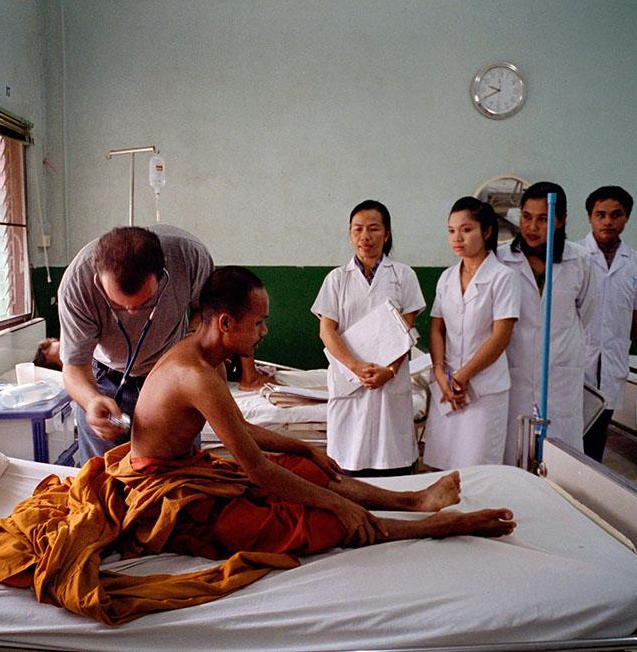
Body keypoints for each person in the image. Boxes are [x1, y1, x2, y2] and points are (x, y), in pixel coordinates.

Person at [122, 265, 517, 555]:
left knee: (306, 470)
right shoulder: (195, 374)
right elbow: (258, 468)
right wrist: (338, 504)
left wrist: (304, 448)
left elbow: (238, 426)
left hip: (186, 472)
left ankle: (411, 502)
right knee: (299, 521)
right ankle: (435, 525)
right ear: (226, 323)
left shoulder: (207, 357)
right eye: (258, 323)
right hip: (167, 496)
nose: (264, 333)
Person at [58, 225, 214, 462]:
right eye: (119, 305)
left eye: (144, 304)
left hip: (172, 378)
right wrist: (91, 401)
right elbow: (74, 367)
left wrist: (188, 348)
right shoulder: (77, 285)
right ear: (97, 276)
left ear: (163, 270)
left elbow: (208, 311)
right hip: (106, 382)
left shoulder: (189, 257)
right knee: (104, 482)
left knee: (178, 476)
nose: (131, 313)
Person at [311, 200, 426, 476]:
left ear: (386, 234)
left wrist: (389, 371)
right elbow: (327, 330)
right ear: (350, 234)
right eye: (358, 229)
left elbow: (406, 331)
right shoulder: (337, 279)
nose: (365, 236)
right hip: (349, 379)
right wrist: (356, 366)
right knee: (348, 464)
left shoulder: (403, 275)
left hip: (390, 381)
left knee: (392, 463)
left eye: (373, 229)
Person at [497, 182, 596, 462]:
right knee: (513, 457)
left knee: (562, 462)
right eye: (526, 217)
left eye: (543, 219)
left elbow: (586, 313)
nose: (532, 227)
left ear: (561, 220)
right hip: (515, 372)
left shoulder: (581, 261)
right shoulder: (502, 259)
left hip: (559, 375)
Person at [423, 198, 519, 469]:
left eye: (466, 230)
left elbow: (500, 336)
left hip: (485, 389)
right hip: (448, 387)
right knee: (442, 466)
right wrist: (441, 373)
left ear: (486, 231)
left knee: (478, 468)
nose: (457, 237)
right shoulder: (446, 278)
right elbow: (437, 328)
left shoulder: (503, 277)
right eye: (451, 230)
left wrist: (461, 377)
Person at [579, 186, 637, 462]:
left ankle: (591, 482)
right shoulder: (574, 258)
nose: (608, 221)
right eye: (600, 214)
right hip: (576, 357)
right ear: (590, 217)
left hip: (613, 358)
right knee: (571, 430)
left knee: (599, 431)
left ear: (626, 218)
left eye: (616, 214)